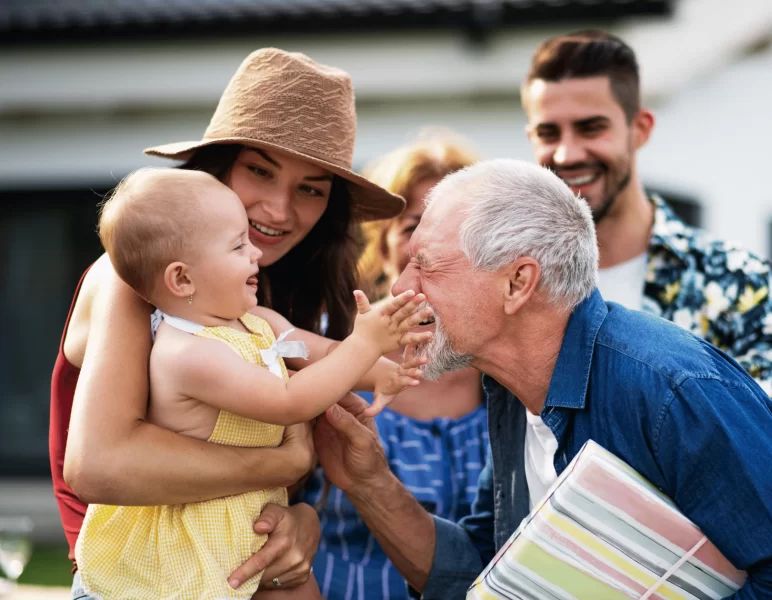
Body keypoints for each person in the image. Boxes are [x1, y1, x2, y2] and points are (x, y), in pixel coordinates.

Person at [312, 159, 772, 599]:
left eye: (426, 265)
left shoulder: (675, 394)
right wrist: (369, 483)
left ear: (517, 284)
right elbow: (487, 570)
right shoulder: (508, 389)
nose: (401, 288)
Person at [50, 48, 402, 596]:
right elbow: (99, 465)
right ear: (217, 166)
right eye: (259, 170)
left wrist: (301, 522)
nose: (280, 211)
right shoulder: (138, 281)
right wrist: (284, 462)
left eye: (311, 189)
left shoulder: (261, 290)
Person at [73, 168, 430, 600]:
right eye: (238, 244)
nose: (255, 252)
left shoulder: (254, 320)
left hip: (248, 511)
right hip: (198, 528)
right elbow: (289, 400)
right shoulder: (185, 353)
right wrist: (365, 341)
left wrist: (382, 371)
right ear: (182, 279)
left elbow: (322, 353)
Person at [521, 31, 772, 451]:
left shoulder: (734, 279)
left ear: (639, 129)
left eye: (591, 128)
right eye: (549, 133)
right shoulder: (514, 283)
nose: (567, 154)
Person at [302, 132, 489, 599]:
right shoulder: (327, 355)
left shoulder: (507, 376)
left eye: (458, 229)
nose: (437, 245)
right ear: (383, 250)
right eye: (414, 228)